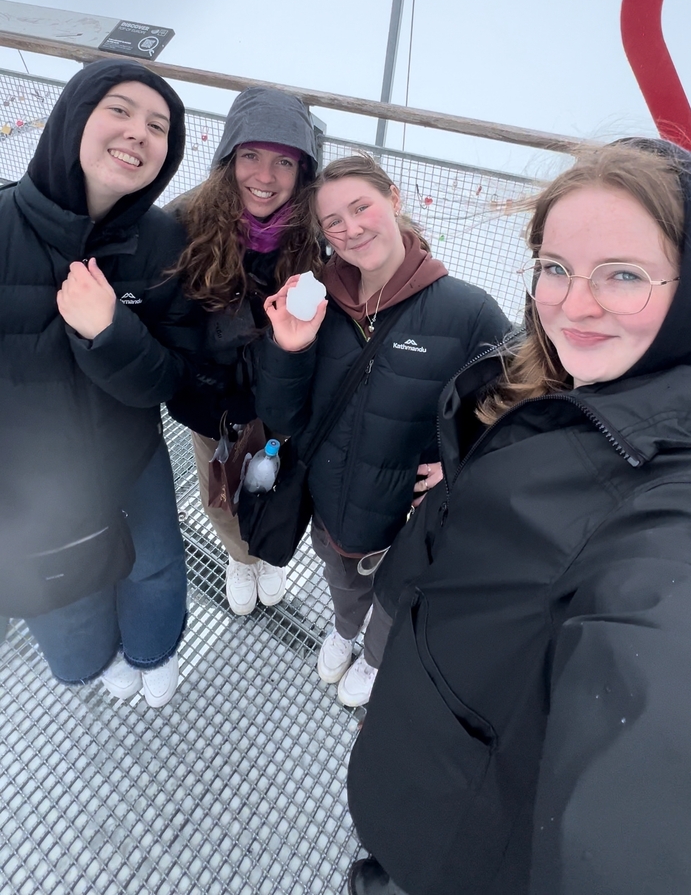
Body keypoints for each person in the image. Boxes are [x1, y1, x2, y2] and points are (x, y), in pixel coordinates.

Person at [346, 138, 691, 895]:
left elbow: (658, 735)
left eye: (624, 274)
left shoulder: (680, 507)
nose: (573, 305)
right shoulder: (556, 380)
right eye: (555, 267)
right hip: (430, 742)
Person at [255, 154, 510, 707]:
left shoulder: (468, 313)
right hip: (331, 510)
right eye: (333, 222)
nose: (351, 229)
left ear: (393, 199)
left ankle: (373, 660)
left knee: (396, 601)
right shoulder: (316, 299)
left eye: (361, 207)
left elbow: (524, 404)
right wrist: (289, 349)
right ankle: (345, 629)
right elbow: (284, 418)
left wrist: (465, 463)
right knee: (343, 582)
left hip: (410, 521)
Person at [0, 59, 196, 709]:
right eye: (119, 109)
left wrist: (110, 333)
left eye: (159, 126)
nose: (139, 131)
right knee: (60, 586)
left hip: (129, 452)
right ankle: (93, 660)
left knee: (156, 565)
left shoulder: (162, 241)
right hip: (27, 473)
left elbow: (170, 377)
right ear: (73, 118)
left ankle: (152, 650)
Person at [167, 86, 321, 616]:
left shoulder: (317, 236)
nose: (265, 176)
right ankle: (240, 557)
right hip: (211, 404)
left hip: (284, 399)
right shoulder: (184, 222)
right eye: (251, 155)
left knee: (278, 486)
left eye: (284, 161)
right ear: (229, 157)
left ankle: (270, 552)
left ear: (303, 172)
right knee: (220, 491)